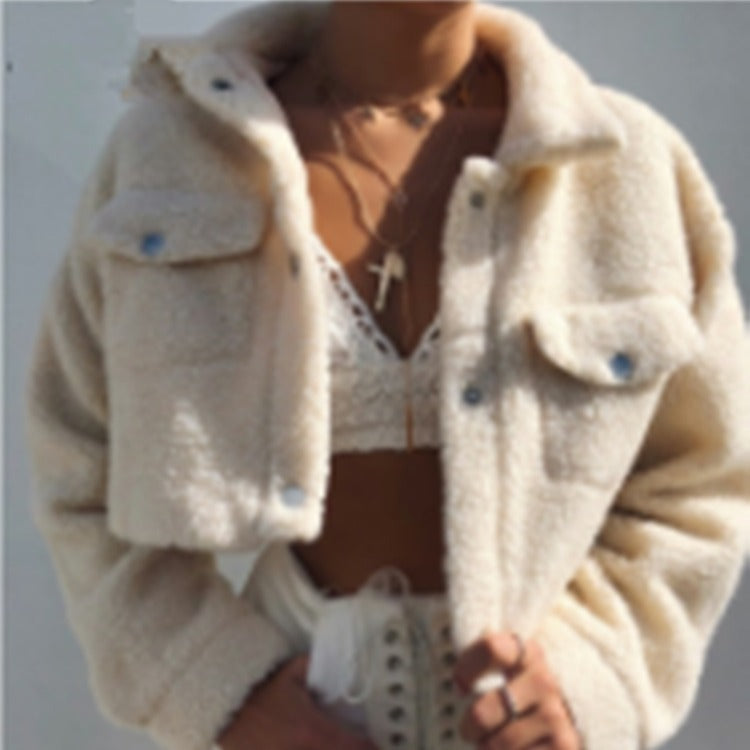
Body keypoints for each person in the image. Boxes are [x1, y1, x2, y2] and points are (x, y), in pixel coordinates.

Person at [23, 1, 750, 750]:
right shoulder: (170, 157)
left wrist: (590, 675)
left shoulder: (625, 167)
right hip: (293, 709)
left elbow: (705, 475)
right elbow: (76, 458)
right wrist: (214, 686)